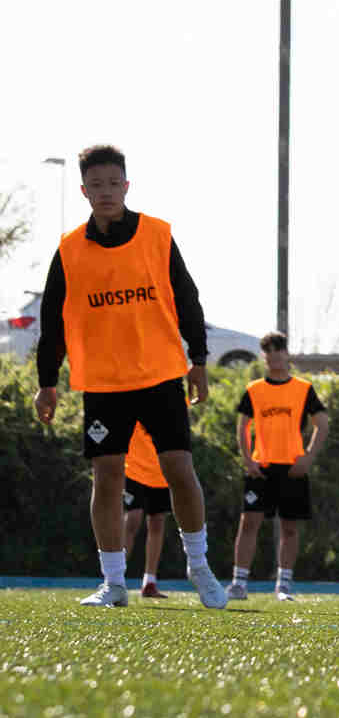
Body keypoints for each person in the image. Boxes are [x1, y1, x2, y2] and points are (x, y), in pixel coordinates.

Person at [33, 144, 230, 608]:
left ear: (126, 185)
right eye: (95, 185)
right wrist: (47, 382)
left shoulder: (157, 235)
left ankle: (199, 566)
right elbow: (52, 321)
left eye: (113, 183)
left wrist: (199, 360)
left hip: (160, 375)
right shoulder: (69, 249)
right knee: (107, 478)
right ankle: (114, 583)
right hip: (104, 383)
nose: (105, 192)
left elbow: (187, 299)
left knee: (179, 469)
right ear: (84, 191)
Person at [230, 332, 328, 602]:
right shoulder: (254, 389)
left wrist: (308, 457)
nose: (274, 355)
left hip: (292, 468)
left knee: (290, 527)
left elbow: (322, 424)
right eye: (268, 351)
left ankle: (283, 586)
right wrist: (248, 459)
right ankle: (239, 584)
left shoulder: (303, 389)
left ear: (287, 354)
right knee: (249, 523)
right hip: (260, 468)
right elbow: (242, 427)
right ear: (264, 357)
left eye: (278, 350)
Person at [121, 423, 172, 599]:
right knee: (132, 519)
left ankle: (149, 582)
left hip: (160, 472)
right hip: (133, 469)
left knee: (157, 522)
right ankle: (114, 578)